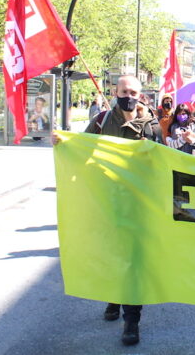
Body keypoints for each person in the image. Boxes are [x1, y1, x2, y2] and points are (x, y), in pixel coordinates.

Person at [53, 75, 158, 346]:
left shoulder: (152, 125)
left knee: (134, 261)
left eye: (133, 91)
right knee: (113, 254)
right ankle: (114, 296)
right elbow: (81, 148)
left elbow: (162, 162)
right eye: (124, 91)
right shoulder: (101, 121)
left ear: (140, 93)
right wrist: (63, 142)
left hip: (139, 204)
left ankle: (131, 321)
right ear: (115, 91)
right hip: (108, 202)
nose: (129, 95)